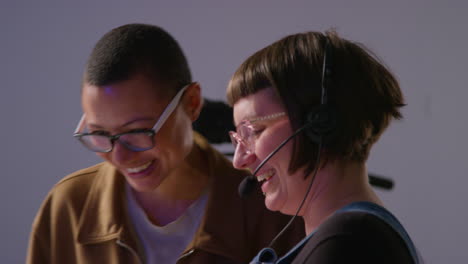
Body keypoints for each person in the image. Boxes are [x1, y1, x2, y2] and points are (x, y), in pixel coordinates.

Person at [26, 23, 304, 264]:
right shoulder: (68, 208)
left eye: (137, 131)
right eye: (99, 133)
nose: (119, 156)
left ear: (192, 104)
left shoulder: (268, 209)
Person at [226, 30, 423, 263]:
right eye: (238, 139)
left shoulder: (348, 243)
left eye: (254, 132)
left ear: (319, 123)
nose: (239, 160)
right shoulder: (352, 237)